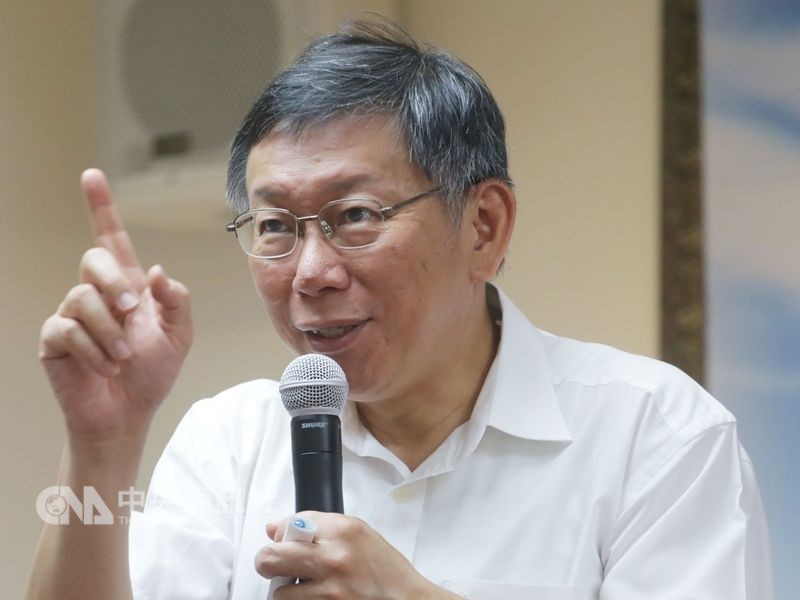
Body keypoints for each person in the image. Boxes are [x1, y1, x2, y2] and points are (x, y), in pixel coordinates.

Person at [27, 19, 772, 600]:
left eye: (355, 215)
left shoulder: (657, 437)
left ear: (483, 226)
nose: (310, 273)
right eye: (276, 225)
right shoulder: (229, 442)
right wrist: (101, 446)